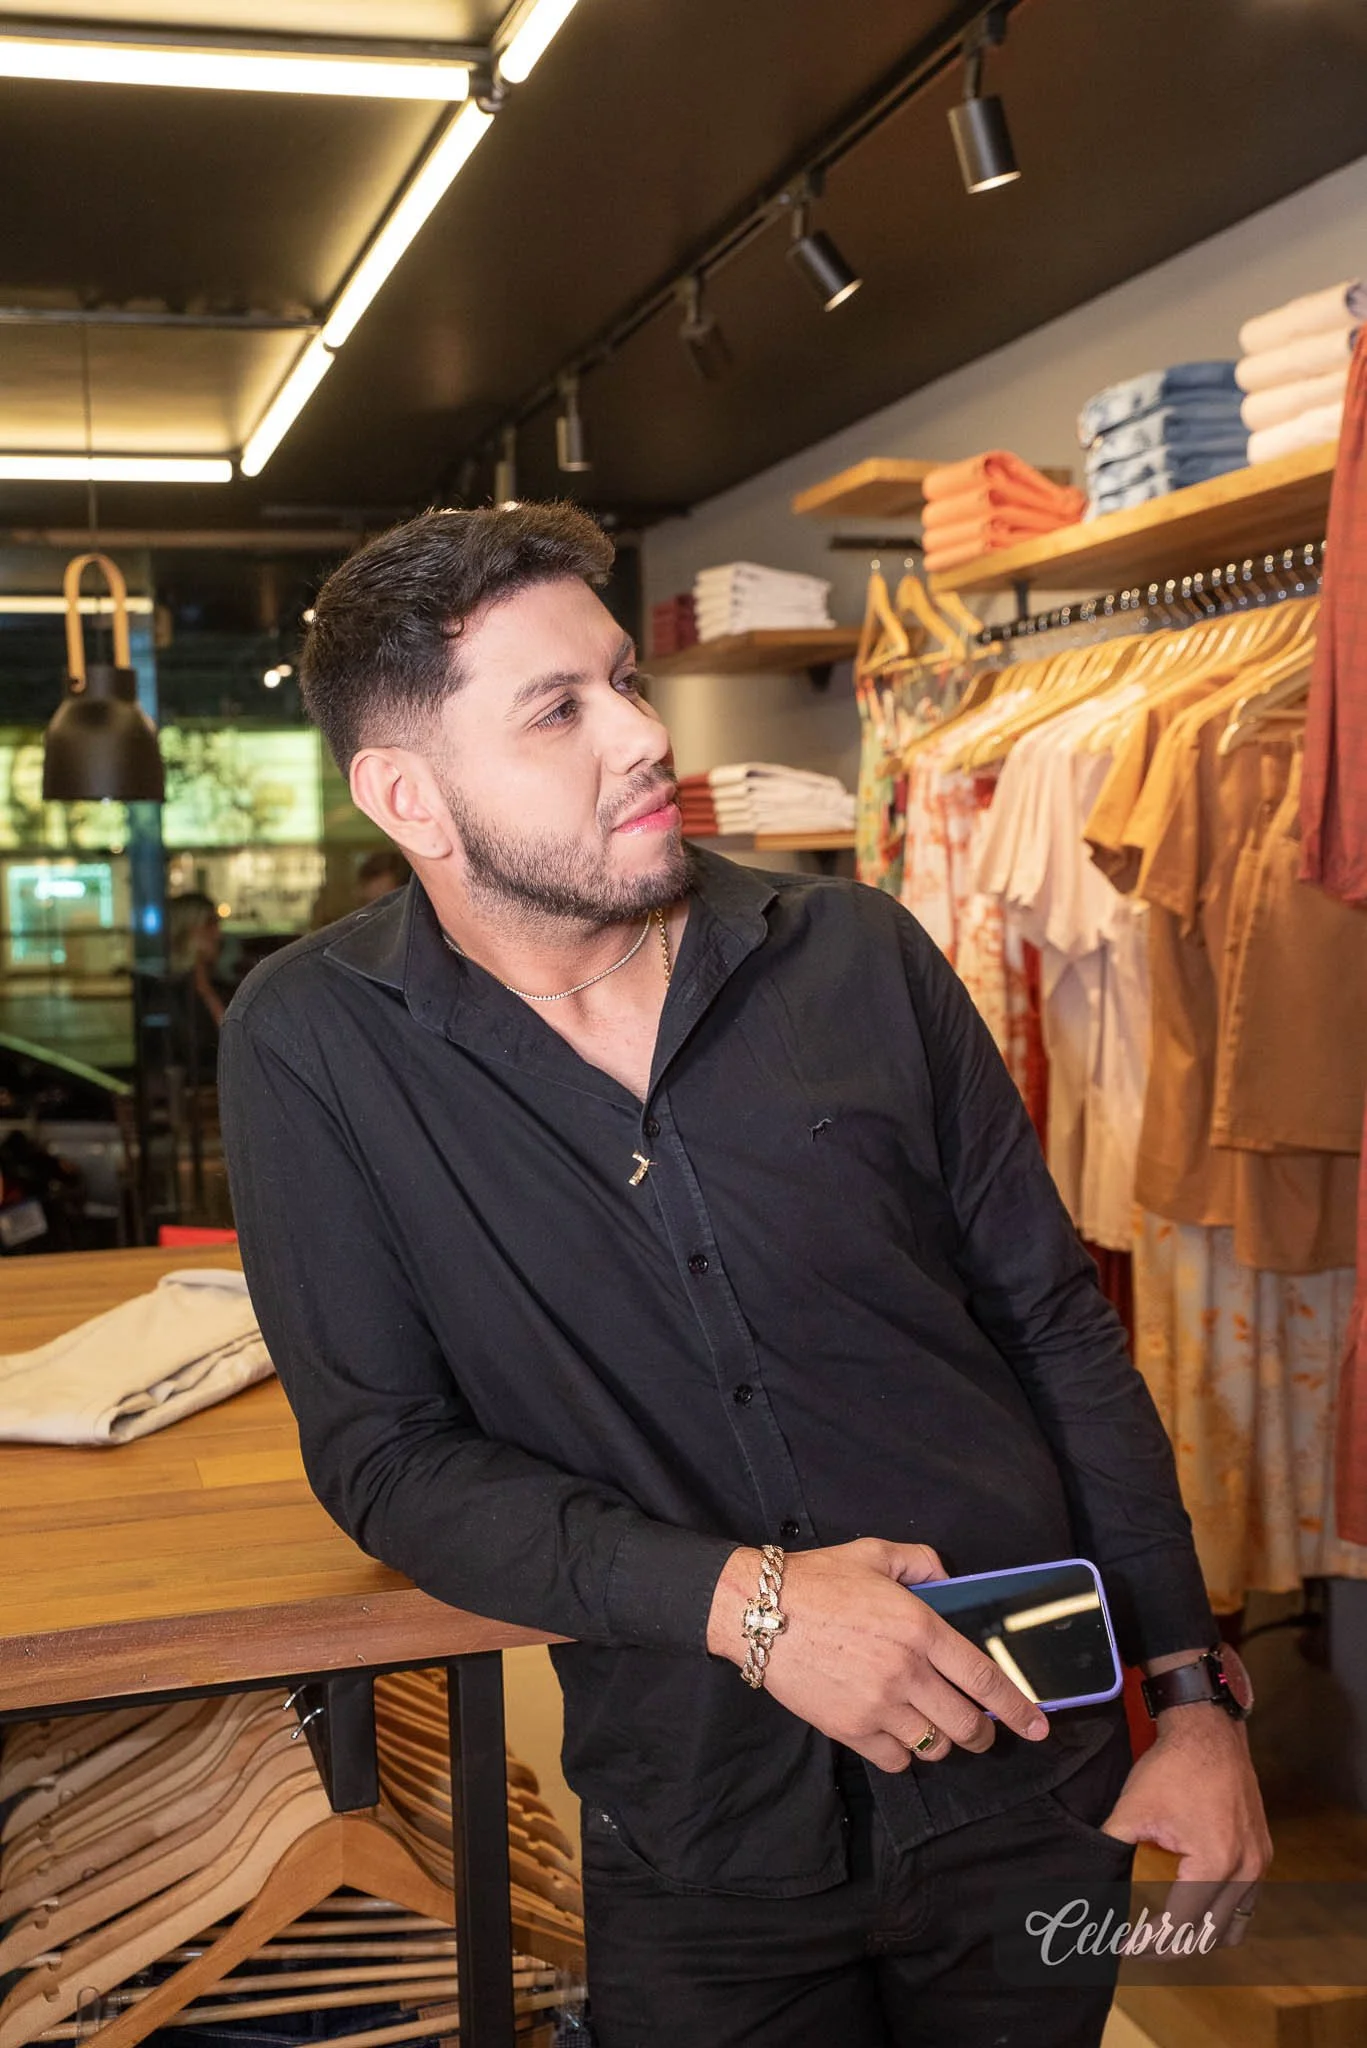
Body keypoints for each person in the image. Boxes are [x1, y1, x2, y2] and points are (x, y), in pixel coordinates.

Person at [219, 504, 1270, 2048]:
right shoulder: (316, 1044)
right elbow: (388, 1456)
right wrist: (751, 1609)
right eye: (557, 710)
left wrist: (1187, 1697)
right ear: (408, 796)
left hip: (1030, 1760)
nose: (641, 735)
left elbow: (1052, 1326)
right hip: (700, 1813)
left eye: (624, 682)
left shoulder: (857, 954)